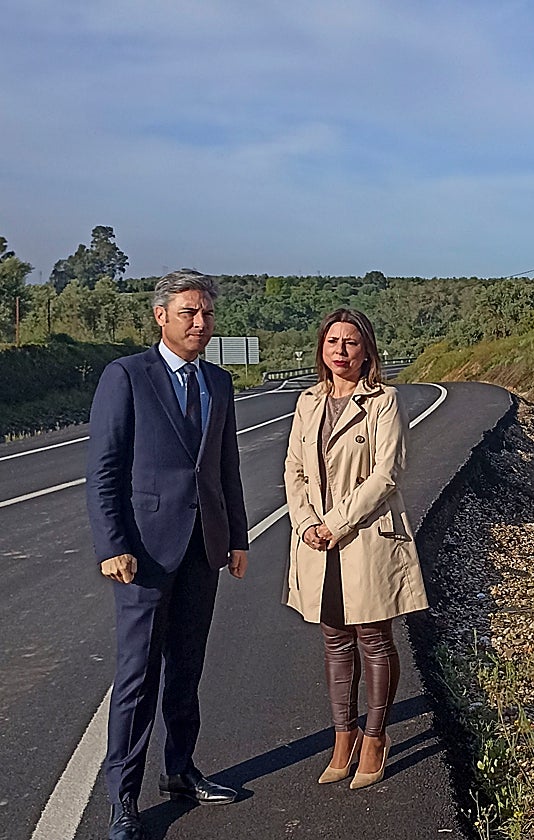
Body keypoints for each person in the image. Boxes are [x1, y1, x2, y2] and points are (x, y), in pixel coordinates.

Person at [87, 269, 249, 840]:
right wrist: (113, 545)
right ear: (162, 316)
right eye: (189, 312)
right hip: (144, 555)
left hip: (203, 550)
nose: (200, 323)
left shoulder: (219, 383)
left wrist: (237, 538)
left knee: (187, 669)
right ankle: (122, 800)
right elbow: (104, 470)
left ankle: (179, 770)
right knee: (137, 678)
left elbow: (224, 468)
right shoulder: (127, 376)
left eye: (206, 313)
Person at [283, 308, 427, 790]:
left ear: (367, 350)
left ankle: (374, 737)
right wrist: (306, 524)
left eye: (350, 342)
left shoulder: (384, 401)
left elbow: (387, 474)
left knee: (373, 637)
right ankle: (342, 736)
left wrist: (335, 524)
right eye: (332, 342)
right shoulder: (307, 402)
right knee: (334, 640)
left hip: (366, 536)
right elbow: (294, 471)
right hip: (317, 541)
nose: (340, 351)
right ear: (322, 348)